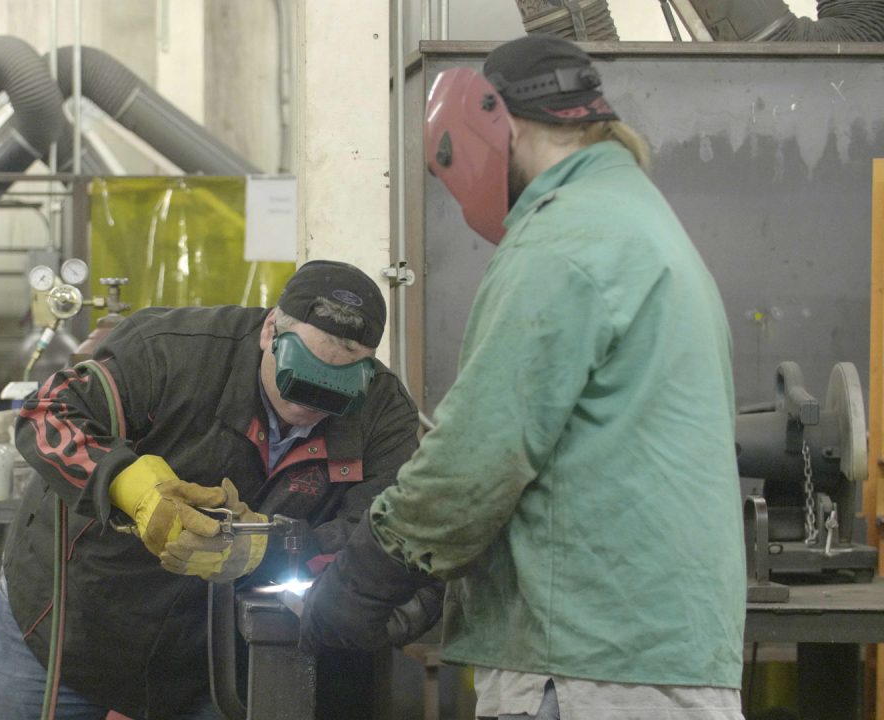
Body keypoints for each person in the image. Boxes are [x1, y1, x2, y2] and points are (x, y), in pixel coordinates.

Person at [299, 34, 746, 720]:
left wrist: (366, 573)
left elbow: (477, 457)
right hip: (655, 655)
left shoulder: (563, 242)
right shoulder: (639, 222)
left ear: (491, 120)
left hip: (584, 662)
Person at [0, 260, 423, 719]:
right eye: (300, 380)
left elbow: (383, 539)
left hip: (206, 663)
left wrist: (267, 548)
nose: (310, 405)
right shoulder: (172, 351)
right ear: (270, 331)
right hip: (71, 625)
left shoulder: (383, 415)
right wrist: (137, 491)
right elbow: (48, 413)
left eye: (333, 394)